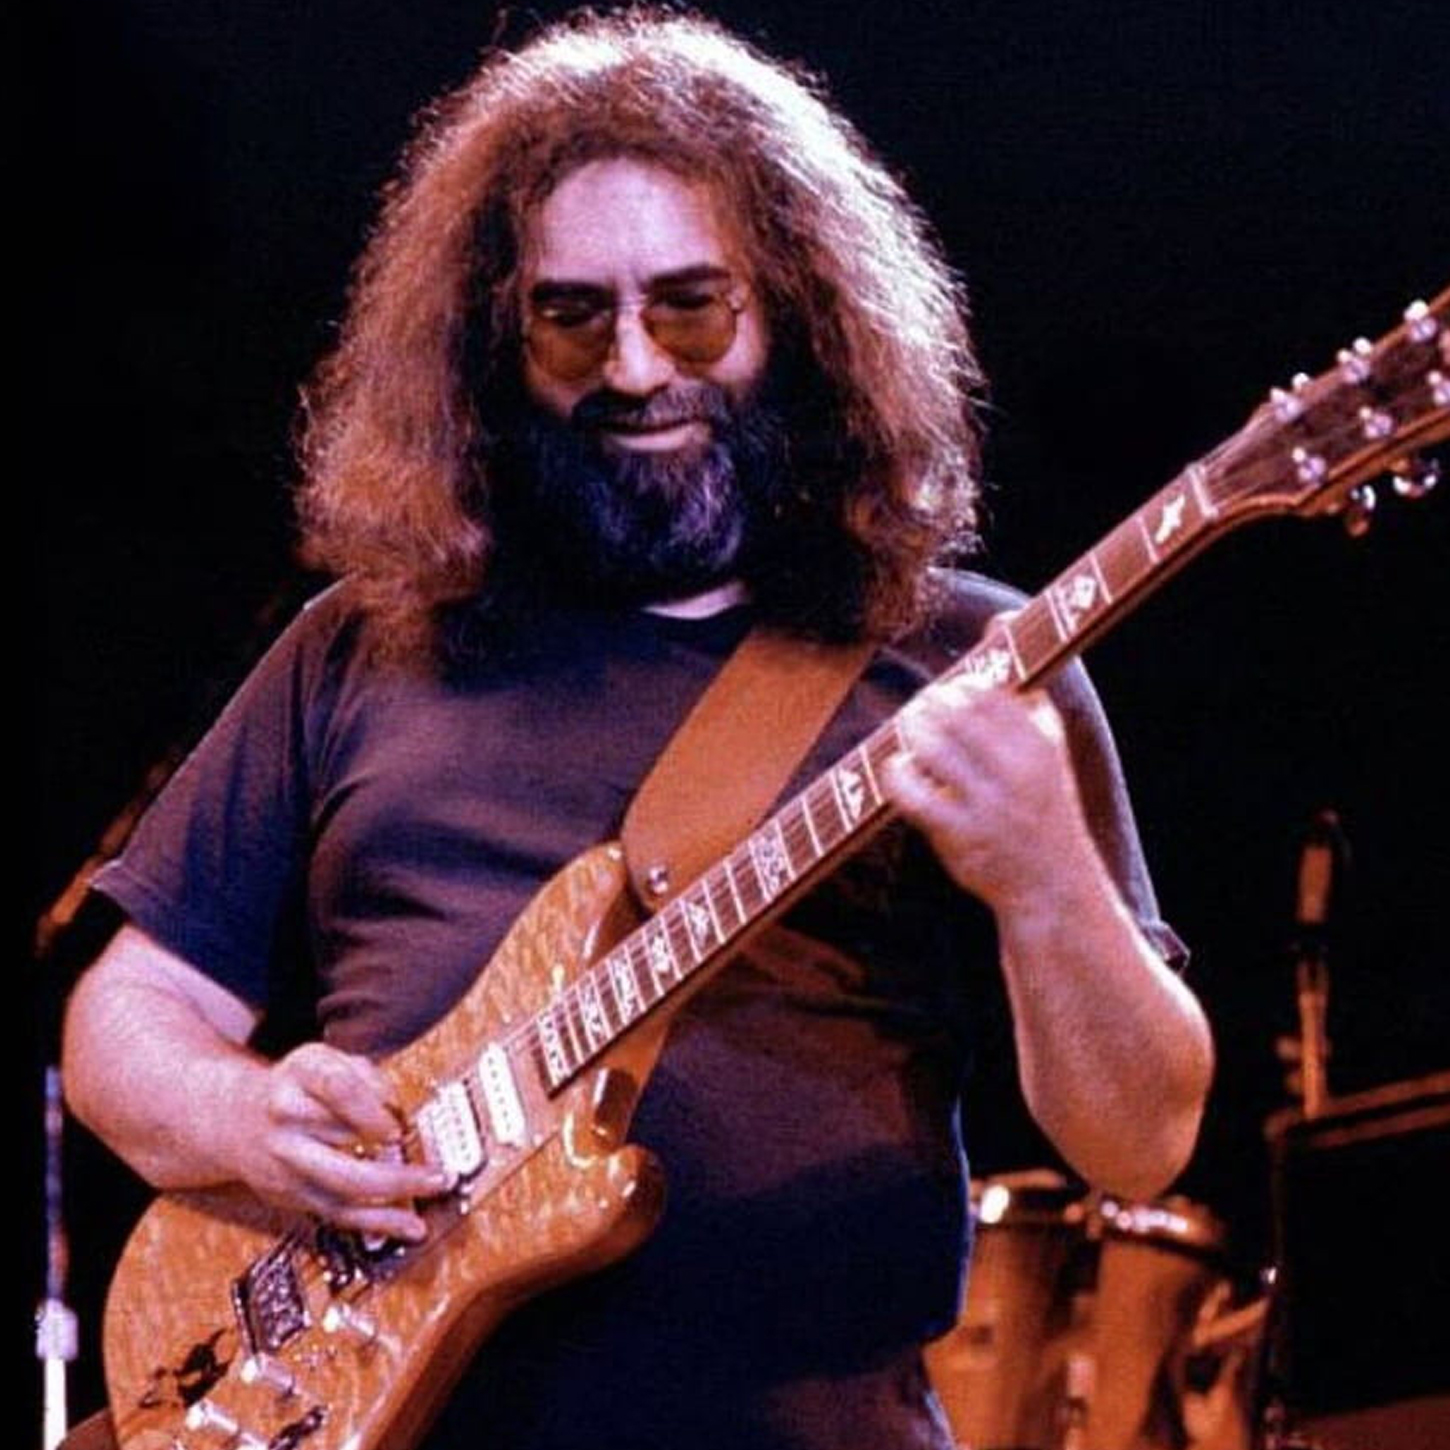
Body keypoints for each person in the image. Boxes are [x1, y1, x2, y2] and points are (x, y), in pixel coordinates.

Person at [61, 8, 1213, 1449]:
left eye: (690, 308)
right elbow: (124, 1023)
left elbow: (1139, 1139)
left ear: (794, 313)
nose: (632, 368)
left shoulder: (963, 664)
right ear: (493, 338)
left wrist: (1047, 878)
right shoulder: (361, 645)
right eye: (571, 316)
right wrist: (249, 1121)